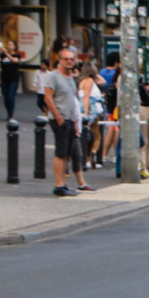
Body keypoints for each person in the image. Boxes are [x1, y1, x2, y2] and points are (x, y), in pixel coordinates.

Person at [44, 47, 94, 195]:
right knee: (60, 152)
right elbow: (48, 97)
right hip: (60, 119)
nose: (69, 62)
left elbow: (72, 101)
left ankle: (63, 184)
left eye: (71, 59)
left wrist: (75, 122)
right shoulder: (53, 76)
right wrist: (58, 117)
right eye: (65, 59)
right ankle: (58, 185)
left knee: (66, 153)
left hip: (70, 120)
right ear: (59, 60)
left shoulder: (70, 78)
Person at [77, 62, 105, 169]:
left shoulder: (82, 81)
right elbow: (86, 97)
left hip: (82, 109)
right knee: (96, 135)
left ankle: (87, 157)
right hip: (91, 109)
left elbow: (103, 81)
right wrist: (86, 112)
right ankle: (92, 154)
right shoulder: (90, 81)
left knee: (86, 133)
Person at [0, 39, 24, 120]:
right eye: (8, 44)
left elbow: (14, 61)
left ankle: (11, 115)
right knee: (6, 97)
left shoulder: (17, 55)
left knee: (11, 96)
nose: (9, 46)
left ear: (14, 47)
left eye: (11, 44)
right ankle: (8, 113)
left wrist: (6, 54)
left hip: (13, 79)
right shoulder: (2, 55)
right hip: (4, 78)